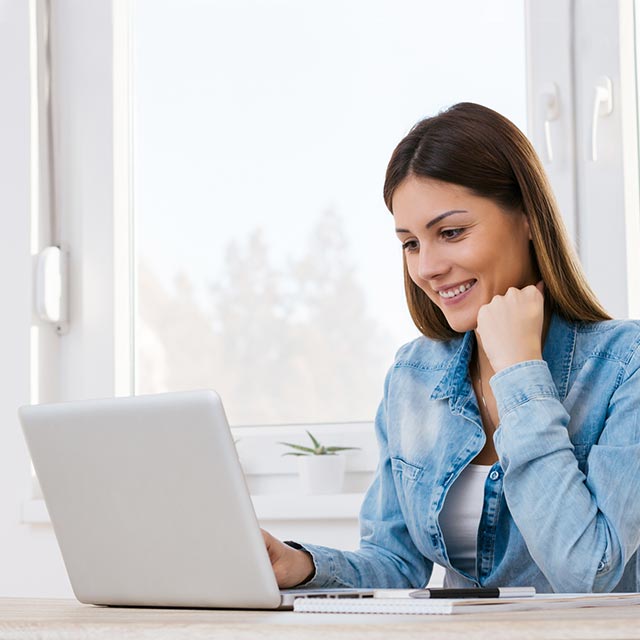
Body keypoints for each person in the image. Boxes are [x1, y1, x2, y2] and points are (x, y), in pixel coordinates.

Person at [262, 102, 640, 593]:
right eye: (411, 243)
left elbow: (588, 574)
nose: (427, 268)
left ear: (527, 218)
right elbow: (395, 566)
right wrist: (302, 566)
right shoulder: (412, 376)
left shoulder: (623, 366)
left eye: (451, 233)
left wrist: (520, 372)